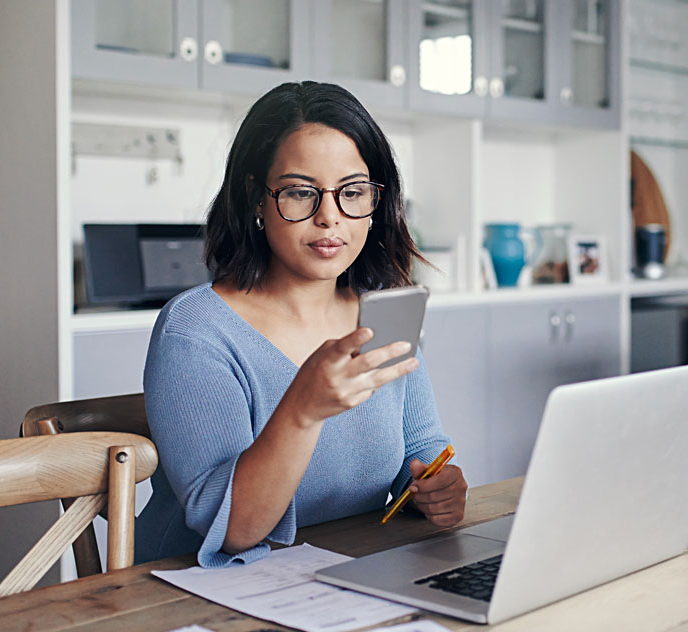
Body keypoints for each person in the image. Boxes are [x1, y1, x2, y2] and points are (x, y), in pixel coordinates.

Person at [137, 81, 467, 568]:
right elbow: (231, 531)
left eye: (352, 192)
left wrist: (435, 486)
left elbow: (419, 449)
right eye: (299, 192)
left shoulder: (381, 311)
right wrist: (302, 410)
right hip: (196, 597)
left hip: (343, 575)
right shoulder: (195, 329)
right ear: (256, 198)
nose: (330, 218)